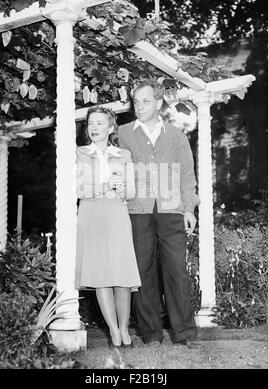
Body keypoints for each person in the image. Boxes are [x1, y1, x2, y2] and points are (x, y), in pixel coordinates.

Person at [118, 80, 200, 346]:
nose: (139, 106)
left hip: (171, 208)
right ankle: (151, 334)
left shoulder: (176, 135)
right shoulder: (122, 133)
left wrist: (189, 208)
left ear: (158, 103)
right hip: (136, 209)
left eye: (145, 101)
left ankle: (184, 333)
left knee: (176, 269)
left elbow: (187, 174)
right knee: (142, 271)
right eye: (136, 102)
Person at [75, 106, 141, 348]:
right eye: (91, 123)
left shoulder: (124, 154)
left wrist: (124, 190)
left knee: (122, 275)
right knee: (101, 275)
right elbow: (78, 190)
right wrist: (105, 186)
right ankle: (113, 330)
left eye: (100, 123)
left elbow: (132, 191)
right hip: (91, 214)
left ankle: (124, 328)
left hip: (117, 213)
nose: (94, 128)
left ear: (111, 127)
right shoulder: (79, 153)